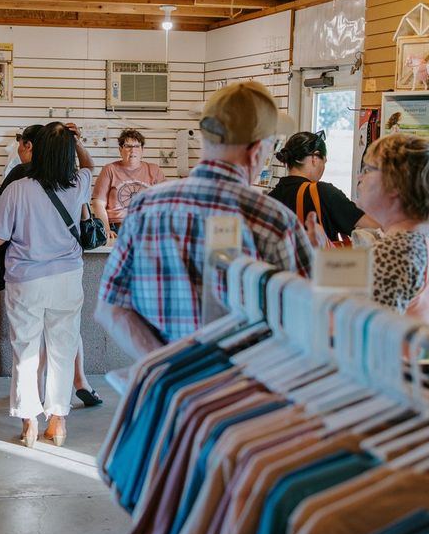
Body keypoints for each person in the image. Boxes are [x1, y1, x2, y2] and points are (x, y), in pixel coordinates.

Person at [97, 80, 313, 359]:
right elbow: (306, 322)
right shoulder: (273, 221)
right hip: (245, 391)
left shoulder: (145, 208)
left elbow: (111, 307)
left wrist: (168, 369)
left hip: (163, 395)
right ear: (256, 149)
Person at [0, 122, 95, 447]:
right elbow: (89, 165)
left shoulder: (17, 189)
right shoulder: (78, 183)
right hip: (66, 278)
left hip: (27, 280)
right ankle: (58, 422)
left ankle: (29, 422)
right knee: (62, 347)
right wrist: (76, 142)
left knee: (26, 350)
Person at [355, 134, 429, 328]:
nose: (360, 177)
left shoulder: (396, 249)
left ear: (395, 182)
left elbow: (367, 335)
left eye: (368, 170)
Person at [269, 130, 379, 243]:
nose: (323, 167)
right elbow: (375, 226)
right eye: (324, 161)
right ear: (314, 158)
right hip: (320, 260)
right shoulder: (323, 192)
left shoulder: (270, 198)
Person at [93, 128, 165, 240]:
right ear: (120, 149)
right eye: (128, 146)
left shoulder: (154, 170)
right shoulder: (109, 169)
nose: (133, 150)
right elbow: (98, 203)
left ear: (142, 150)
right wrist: (106, 229)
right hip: (117, 231)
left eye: (137, 146)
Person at [0, 124, 42, 194]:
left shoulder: (20, 171)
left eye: (19, 144)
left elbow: (5, 201)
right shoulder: (57, 170)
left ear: (28, 146)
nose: (18, 149)